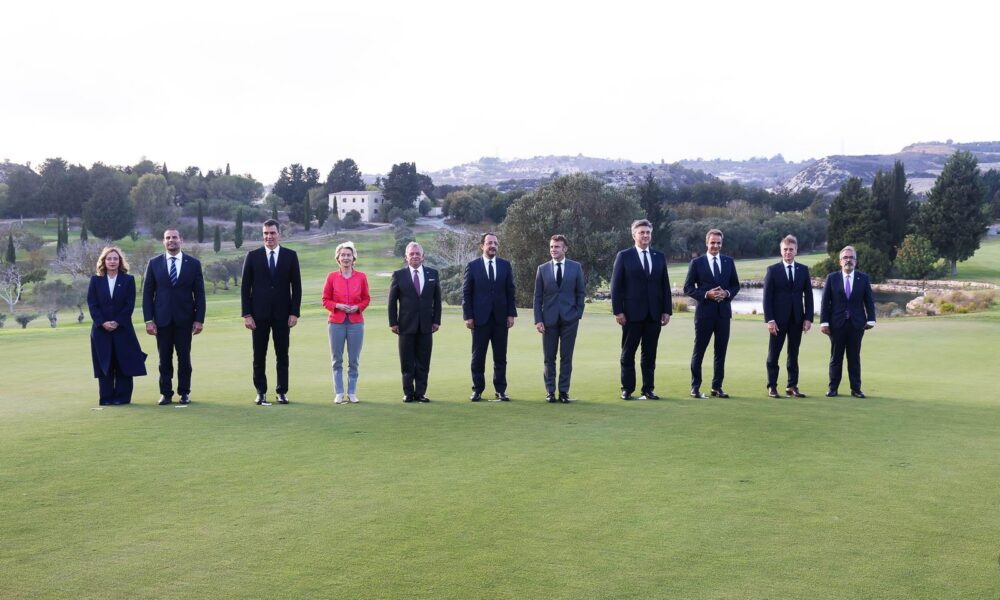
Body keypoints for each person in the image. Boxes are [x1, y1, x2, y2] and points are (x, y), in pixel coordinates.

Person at [241, 219, 302, 406]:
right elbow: (245, 288)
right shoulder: (253, 256)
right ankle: (261, 392)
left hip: (283, 316)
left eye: (272, 233)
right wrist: (247, 314)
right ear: (263, 235)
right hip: (258, 316)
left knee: (282, 355)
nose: (269, 237)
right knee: (259, 355)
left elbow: (297, 287)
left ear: (279, 234)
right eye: (266, 233)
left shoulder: (290, 256)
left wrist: (294, 313)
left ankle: (282, 391)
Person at [610, 219, 672, 400]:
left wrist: (666, 310)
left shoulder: (659, 256)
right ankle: (627, 388)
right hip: (631, 314)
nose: (645, 235)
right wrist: (618, 311)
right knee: (628, 353)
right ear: (634, 235)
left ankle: (648, 389)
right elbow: (616, 286)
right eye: (642, 232)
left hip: (654, 314)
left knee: (650, 354)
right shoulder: (624, 256)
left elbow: (664, 285)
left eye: (648, 232)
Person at [143, 229, 206, 405]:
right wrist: (149, 320)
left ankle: (184, 392)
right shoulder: (154, 263)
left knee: (184, 358)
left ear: (181, 240)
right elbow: (148, 294)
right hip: (162, 320)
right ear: (163, 241)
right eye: (168, 238)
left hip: (185, 319)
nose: (171, 241)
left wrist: (199, 319)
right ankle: (166, 393)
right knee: (164, 359)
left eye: (175, 237)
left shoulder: (193, 264)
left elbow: (199, 294)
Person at [683, 228, 740, 398]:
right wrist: (706, 294)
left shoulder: (729, 262)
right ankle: (695, 386)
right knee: (699, 351)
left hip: (723, 314)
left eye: (718, 243)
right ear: (706, 243)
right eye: (713, 242)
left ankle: (717, 387)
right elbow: (688, 288)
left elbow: (735, 285)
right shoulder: (697, 263)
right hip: (704, 315)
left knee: (720, 352)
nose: (715, 245)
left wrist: (727, 294)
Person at [88, 246, 147, 405]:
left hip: (123, 329)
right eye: (109, 259)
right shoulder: (95, 280)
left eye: (115, 258)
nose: (112, 261)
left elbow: (129, 304)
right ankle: (106, 398)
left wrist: (117, 322)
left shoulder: (128, 280)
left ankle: (122, 397)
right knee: (105, 364)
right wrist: (103, 322)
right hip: (101, 330)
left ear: (120, 261)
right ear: (104, 261)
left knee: (123, 363)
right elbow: (92, 304)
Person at [463, 232, 517, 401]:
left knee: (500, 357)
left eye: (495, 243)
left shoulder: (505, 265)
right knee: (478, 357)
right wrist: (468, 316)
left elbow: (510, 291)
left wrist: (511, 314)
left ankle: (500, 389)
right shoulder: (472, 266)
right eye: (489, 243)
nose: (493, 246)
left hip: (501, 319)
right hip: (479, 319)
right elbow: (466, 292)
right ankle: (477, 389)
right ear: (482, 246)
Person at [533, 234, 585, 403]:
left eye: (557, 247)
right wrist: (538, 319)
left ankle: (563, 392)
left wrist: (577, 314)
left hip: (570, 320)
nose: (553, 250)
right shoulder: (542, 269)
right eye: (551, 247)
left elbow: (580, 293)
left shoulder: (576, 267)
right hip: (548, 320)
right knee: (549, 358)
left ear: (565, 249)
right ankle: (550, 391)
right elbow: (537, 297)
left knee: (566, 357)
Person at [388, 242, 441, 403]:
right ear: (406, 257)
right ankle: (408, 393)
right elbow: (392, 301)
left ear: (423, 256)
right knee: (407, 362)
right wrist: (393, 322)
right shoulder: (399, 275)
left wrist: (436, 321)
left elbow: (437, 300)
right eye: (412, 254)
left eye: (418, 253)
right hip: (405, 325)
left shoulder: (433, 273)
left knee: (424, 361)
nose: (415, 256)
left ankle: (421, 393)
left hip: (426, 325)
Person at [820, 245, 876, 398]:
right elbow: (825, 302)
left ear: (856, 261)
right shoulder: (832, 278)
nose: (848, 260)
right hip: (836, 324)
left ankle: (856, 389)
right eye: (845, 257)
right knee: (836, 357)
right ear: (840, 261)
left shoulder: (863, 278)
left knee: (854, 358)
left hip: (857, 324)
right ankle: (833, 388)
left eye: (851, 258)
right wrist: (824, 322)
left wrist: (871, 319)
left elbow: (869, 301)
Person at [762, 235, 814, 398]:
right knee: (774, 354)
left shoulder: (803, 270)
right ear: (781, 250)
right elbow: (767, 298)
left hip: (797, 320)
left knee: (793, 353)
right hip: (777, 320)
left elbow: (809, 296)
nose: (788, 252)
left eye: (791, 249)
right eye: (785, 249)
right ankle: (772, 386)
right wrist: (770, 320)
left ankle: (792, 386)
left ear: (796, 251)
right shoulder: (772, 270)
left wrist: (808, 318)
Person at [322, 241, 370, 404]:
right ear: (338, 257)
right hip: (336, 322)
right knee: (337, 360)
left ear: (353, 257)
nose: (346, 257)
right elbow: (325, 300)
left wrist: (357, 307)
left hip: (356, 323)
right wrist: (337, 305)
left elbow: (366, 299)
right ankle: (339, 392)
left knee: (354, 360)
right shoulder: (332, 277)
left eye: (349, 255)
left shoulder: (361, 277)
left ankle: (352, 392)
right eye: (343, 255)